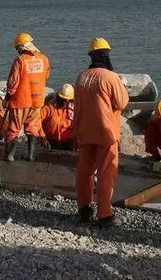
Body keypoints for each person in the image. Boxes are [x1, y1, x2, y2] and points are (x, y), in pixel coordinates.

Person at [74, 37, 129, 227]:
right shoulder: (109, 77)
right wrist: (121, 84)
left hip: (84, 131)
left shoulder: (81, 76)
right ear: (106, 56)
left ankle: (84, 209)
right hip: (105, 132)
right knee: (106, 173)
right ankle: (104, 214)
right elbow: (121, 102)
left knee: (84, 171)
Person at [5, 32, 51, 162]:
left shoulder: (20, 61)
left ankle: (10, 155)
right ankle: (30, 155)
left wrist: (7, 97)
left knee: (14, 128)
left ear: (21, 47)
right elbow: (46, 76)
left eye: (17, 48)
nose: (17, 50)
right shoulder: (44, 59)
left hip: (20, 101)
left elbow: (13, 82)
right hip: (37, 101)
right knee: (33, 128)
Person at [39, 83, 76, 150]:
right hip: (52, 142)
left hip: (70, 142)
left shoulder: (74, 108)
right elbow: (36, 122)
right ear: (58, 97)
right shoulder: (49, 108)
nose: (65, 102)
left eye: (67, 100)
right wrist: (42, 136)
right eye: (63, 100)